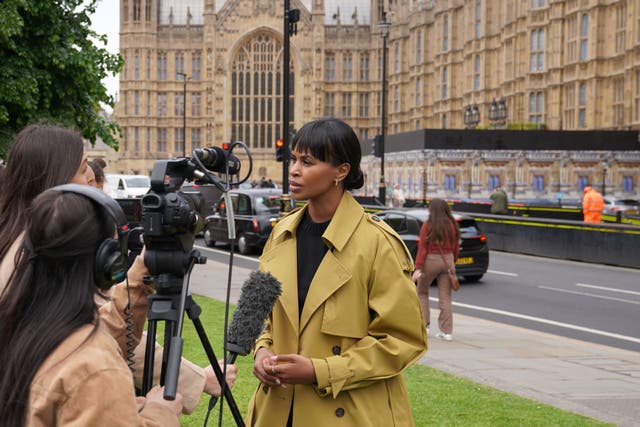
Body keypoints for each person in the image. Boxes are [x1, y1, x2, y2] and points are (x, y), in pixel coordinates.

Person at [0, 123, 236, 415]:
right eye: (83, 167)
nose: (93, 177)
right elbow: (93, 344)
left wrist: (139, 273)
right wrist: (161, 409)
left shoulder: (22, 243)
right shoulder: (37, 260)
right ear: (56, 179)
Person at [246, 118, 427, 427]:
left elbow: (403, 339)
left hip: (348, 413)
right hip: (276, 412)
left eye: (308, 161)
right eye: (294, 158)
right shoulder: (280, 236)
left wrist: (321, 371)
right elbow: (259, 317)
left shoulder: (377, 244)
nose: (294, 169)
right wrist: (262, 353)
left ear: (341, 171)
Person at [0, 188, 184, 426]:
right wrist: (160, 413)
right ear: (106, 262)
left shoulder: (18, 326)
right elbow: (89, 368)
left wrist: (118, 410)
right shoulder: (95, 369)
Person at [412, 198, 460, 341]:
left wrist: (418, 268)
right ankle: (447, 332)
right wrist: (453, 262)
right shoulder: (453, 225)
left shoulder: (428, 225)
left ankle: (424, 326)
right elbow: (456, 247)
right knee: (445, 297)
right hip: (448, 260)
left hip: (431, 261)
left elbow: (422, 248)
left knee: (422, 292)